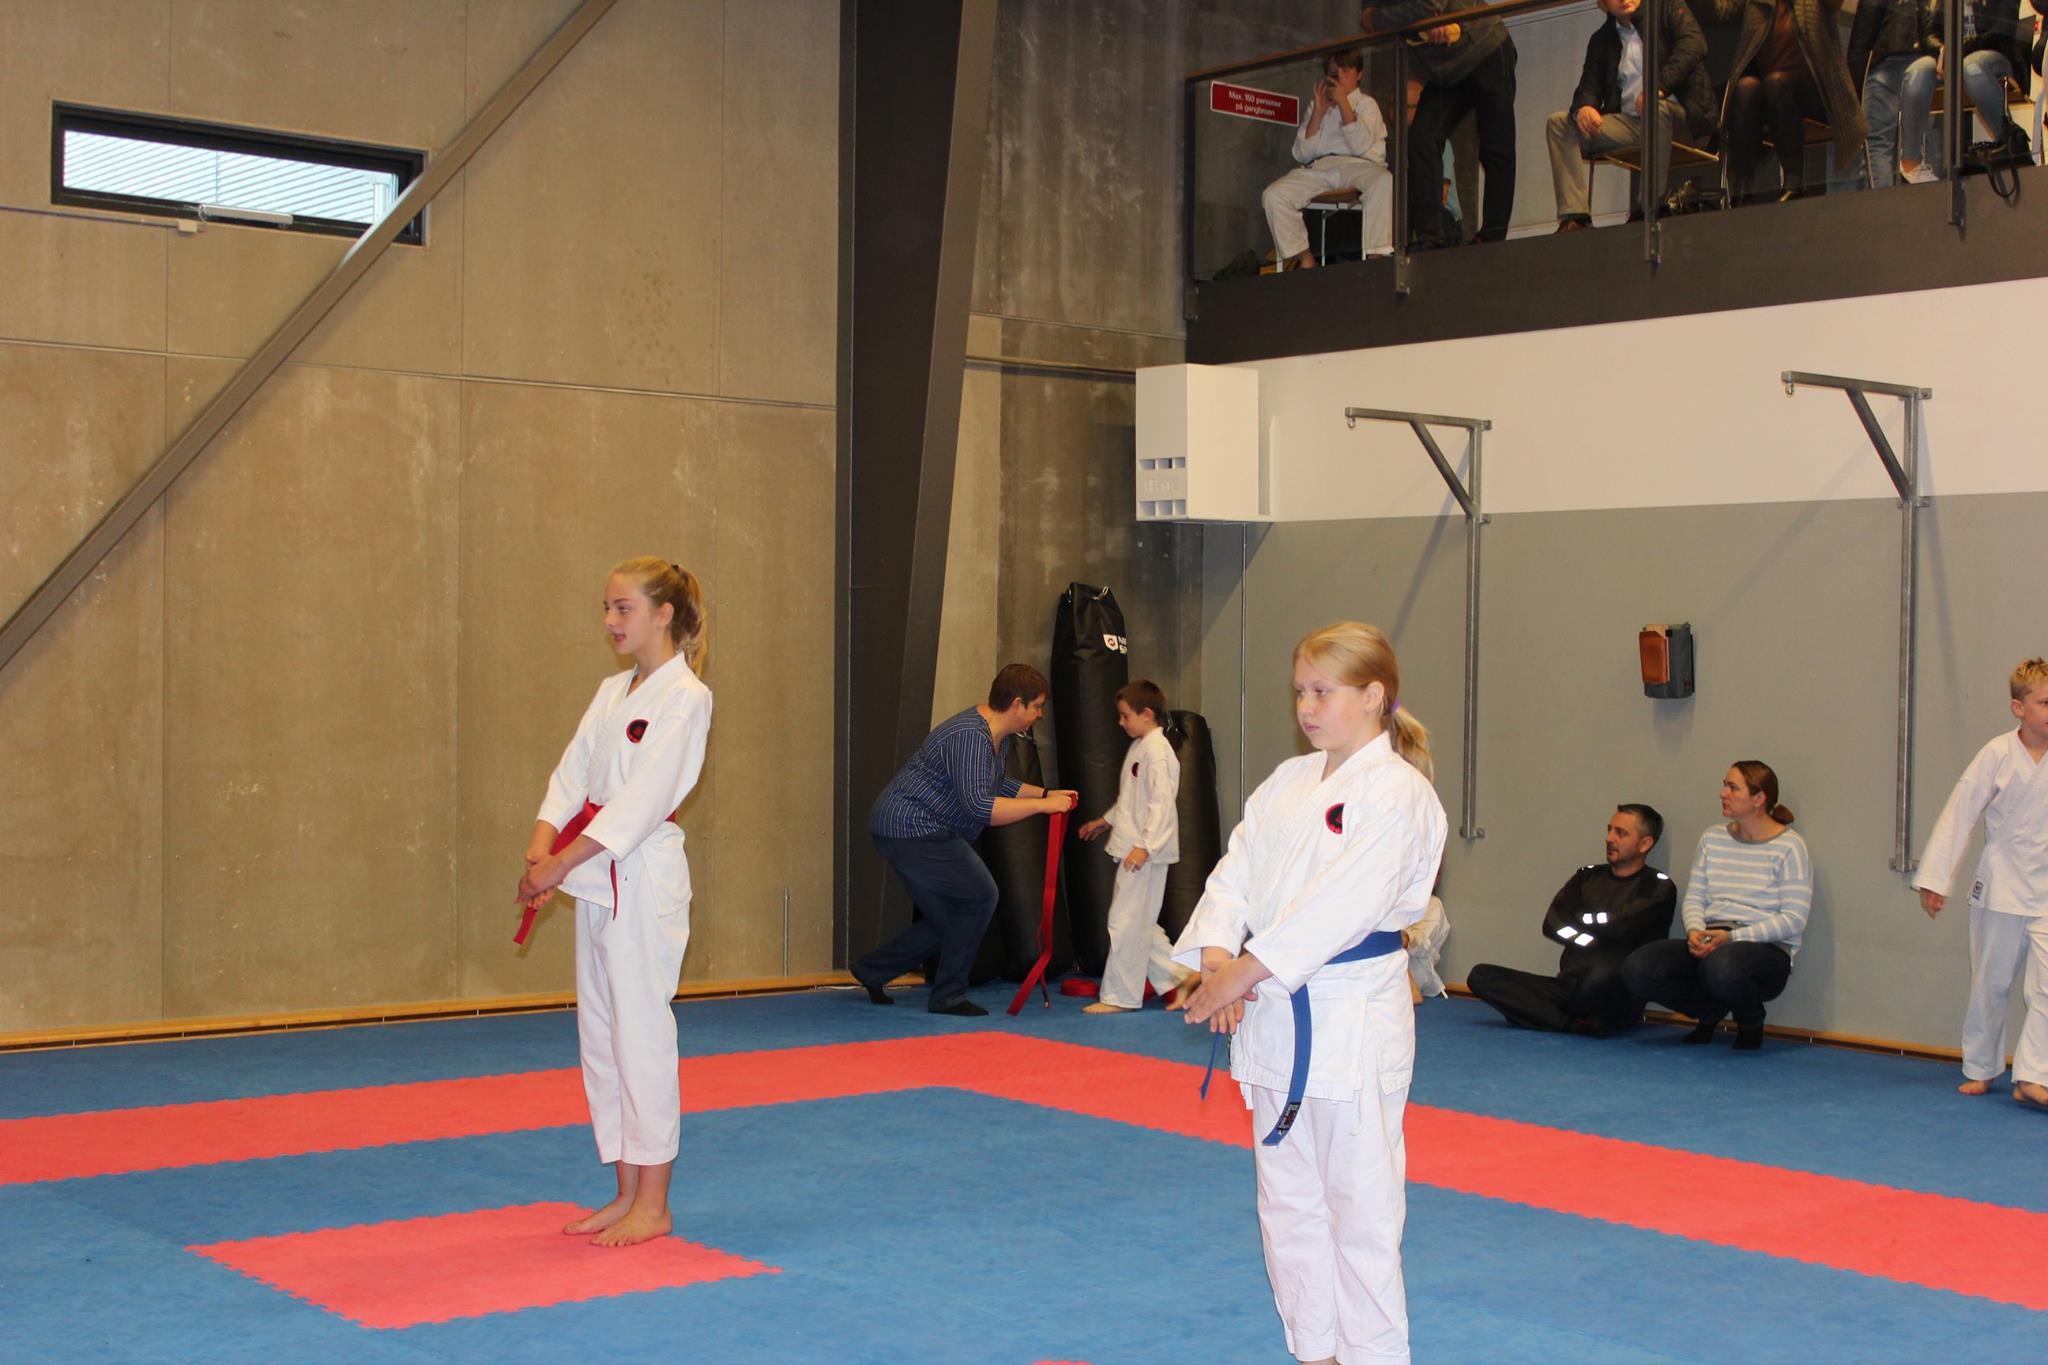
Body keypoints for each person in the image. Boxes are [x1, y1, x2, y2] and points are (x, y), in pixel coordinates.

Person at [1176, 622, 1448, 1365]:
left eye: (1322, 691)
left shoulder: (1398, 792)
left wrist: (1241, 974)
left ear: (1374, 696)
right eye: (1300, 691)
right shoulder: (1289, 781)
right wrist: (1217, 954)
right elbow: (1234, 870)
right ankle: (1314, 1348)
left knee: (1361, 1208)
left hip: (1350, 1017)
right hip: (1273, 1011)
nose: (1306, 706)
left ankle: (1373, 1355)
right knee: (1288, 1202)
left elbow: (1343, 905)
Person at [516, 558, 713, 1247]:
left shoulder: (686, 697)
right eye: (606, 607)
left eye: (623, 608)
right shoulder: (611, 691)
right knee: (602, 1035)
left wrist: (559, 864)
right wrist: (540, 848)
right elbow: (571, 775)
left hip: (641, 873)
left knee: (642, 1036)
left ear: (664, 614)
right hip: (594, 875)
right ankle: (625, 1191)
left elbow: (640, 803)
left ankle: (654, 1202)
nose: (610, 621)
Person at [851, 664, 1076, 1016]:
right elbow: (981, 806)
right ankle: (948, 996)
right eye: (1037, 706)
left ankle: (872, 970)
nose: (1040, 714)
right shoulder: (971, 735)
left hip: (914, 828)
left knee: (949, 917)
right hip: (911, 828)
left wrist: (1046, 793)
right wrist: (1043, 806)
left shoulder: (996, 736)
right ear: (1017, 704)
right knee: (981, 896)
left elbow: (998, 784)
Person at [1911, 658, 2048, 1111]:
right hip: (2001, 886)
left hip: (2046, 890)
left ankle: (2033, 1076)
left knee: (2047, 987)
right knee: (1991, 984)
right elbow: (1961, 812)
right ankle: (1982, 1067)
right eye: (2045, 702)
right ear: (2018, 707)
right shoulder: (1997, 753)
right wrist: (1936, 878)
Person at [1623, 762, 1813, 1050]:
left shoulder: (1791, 847)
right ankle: (1709, 1012)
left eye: (1732, 787)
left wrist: (1731, 938)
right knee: (1637, 968)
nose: (1723, 793)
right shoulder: (1712, 838)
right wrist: (1695, 931)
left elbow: (1793, 919)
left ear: (1758, 799)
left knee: (1721, 966)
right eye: (1724, 785)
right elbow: (1695, 897)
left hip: (1766, 950)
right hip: (1713, 938)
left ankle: (1751, 1021)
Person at [1467, 805, 1678, 1034]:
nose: (1609, 838)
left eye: (1621, 833)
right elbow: (1552, 924)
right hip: (1569, 984)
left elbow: (1621, 925)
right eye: (1609, 830)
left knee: (1599, 974)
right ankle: (1572, 1024)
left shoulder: (1658, 887)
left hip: (1615, 991)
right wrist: (1591, 939)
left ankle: (1543, 1015)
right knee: (1481, 976)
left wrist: (1582, 920)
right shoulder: (1587, 877)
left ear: (1645, 843)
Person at [1076, 679, 1196, 1013]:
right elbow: (1132, 800)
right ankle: (1181, 975)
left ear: (1146, 714)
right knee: (1138, 921)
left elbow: (1162, 804)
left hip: (1144, 852)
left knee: (1124, 922)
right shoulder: (1141, 747)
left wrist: (1146, 846)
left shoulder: (1157, 752)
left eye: (1125, 715)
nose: (1120, 722)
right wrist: (1105, 821)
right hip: (1136, 846)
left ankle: (1120, 997)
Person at [1545, 0, 1716, 231]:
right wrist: (1584, 107)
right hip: (1633, 124)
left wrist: (1658, 87)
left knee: (1656, 109)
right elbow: (1589, 86)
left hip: (1684, 120)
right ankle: (1576, 218)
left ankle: (1648, 209)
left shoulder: (1666, 8)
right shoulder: (1602, 39)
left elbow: (1694, 44)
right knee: (1559, 123)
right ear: (1603, 3)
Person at [1362, 0, 1519, 246]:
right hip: (1446, 69)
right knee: (1421, 139)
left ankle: (1492, 236)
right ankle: (1432, 236)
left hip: (1484, 46)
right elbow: (1368, 17)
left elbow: (1426, 6)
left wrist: (1381, 18)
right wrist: (1410, 20)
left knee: (1496, 147)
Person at [1704, 0, 1867, 204]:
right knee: (1746, 87)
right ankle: (1742, 188)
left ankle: (1794, 181)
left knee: (1776, 82)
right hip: (1770, 95)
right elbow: (1723, 11)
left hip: (1815, 94)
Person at [1261, 47, 1391, 271]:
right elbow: (1301, 154)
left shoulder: (1366, 104)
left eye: (1345, 71)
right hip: (1320, 167)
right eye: (1333, 73)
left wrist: (1344, 104)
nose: (1338, 77)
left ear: (1359, 74)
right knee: (1274, 194)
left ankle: (1375, 259)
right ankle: (1306, 260)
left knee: (1384, 180)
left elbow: (1359, 146)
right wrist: (1319, 112)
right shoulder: (1317, 105)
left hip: (1360, 165)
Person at [1931, 0, 2036, 163]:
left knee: (1972, 67)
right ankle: (1922, 164)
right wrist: (1942, 52)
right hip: (1954, 60)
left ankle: (2010, 140)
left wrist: (1957, 51)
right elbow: (1931, 34)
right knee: (1919, 75)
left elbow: (2002, 31)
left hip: (1996, 55)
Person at [1849, 0, 1941, 185]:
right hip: (1922, 60)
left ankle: (1882, 199)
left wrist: (1853, 85)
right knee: (1920, 134)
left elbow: (1863, 31)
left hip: (1884, 61)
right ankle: (1920, 190)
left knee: (1878, 144)